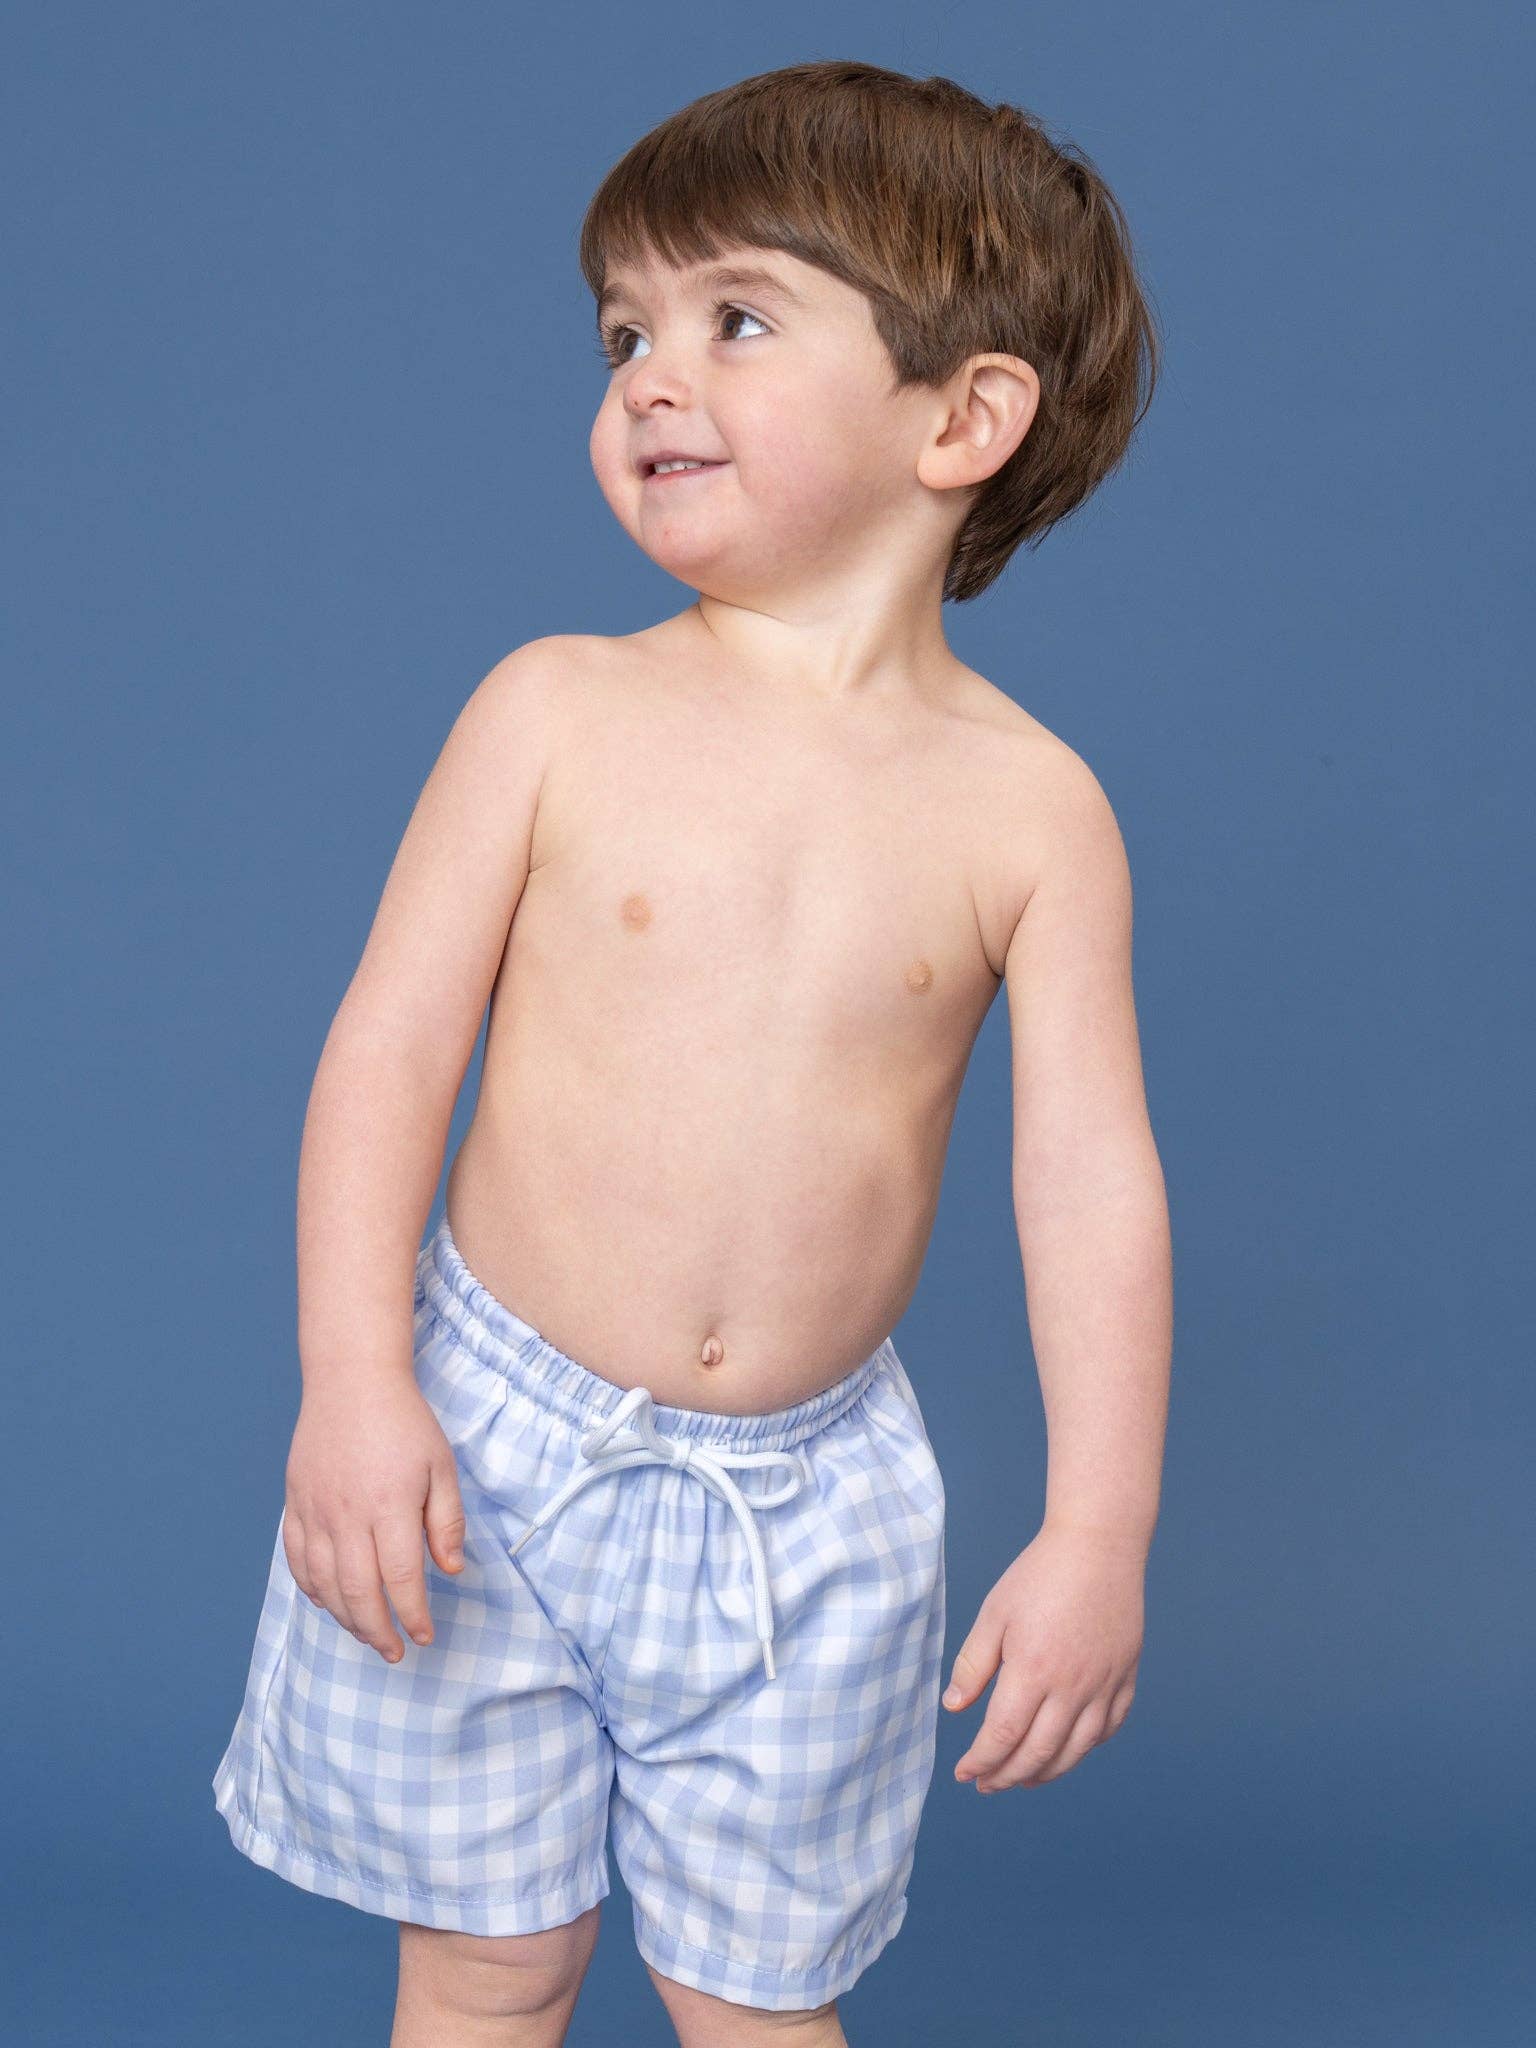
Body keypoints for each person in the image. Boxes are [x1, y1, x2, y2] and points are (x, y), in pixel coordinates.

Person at [211, 56, 1171, 2048]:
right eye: (622, 334)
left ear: (965, 418)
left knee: (750, 1999)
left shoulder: (1035, 812)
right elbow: (387, 1051)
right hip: (486, 1450)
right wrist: (354, 1381)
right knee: (489, 1967)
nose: (649, 378)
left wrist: (1100, 1529)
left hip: (805, 1512)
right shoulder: (556, 710)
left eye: (734, 320)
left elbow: (1086, 1184)